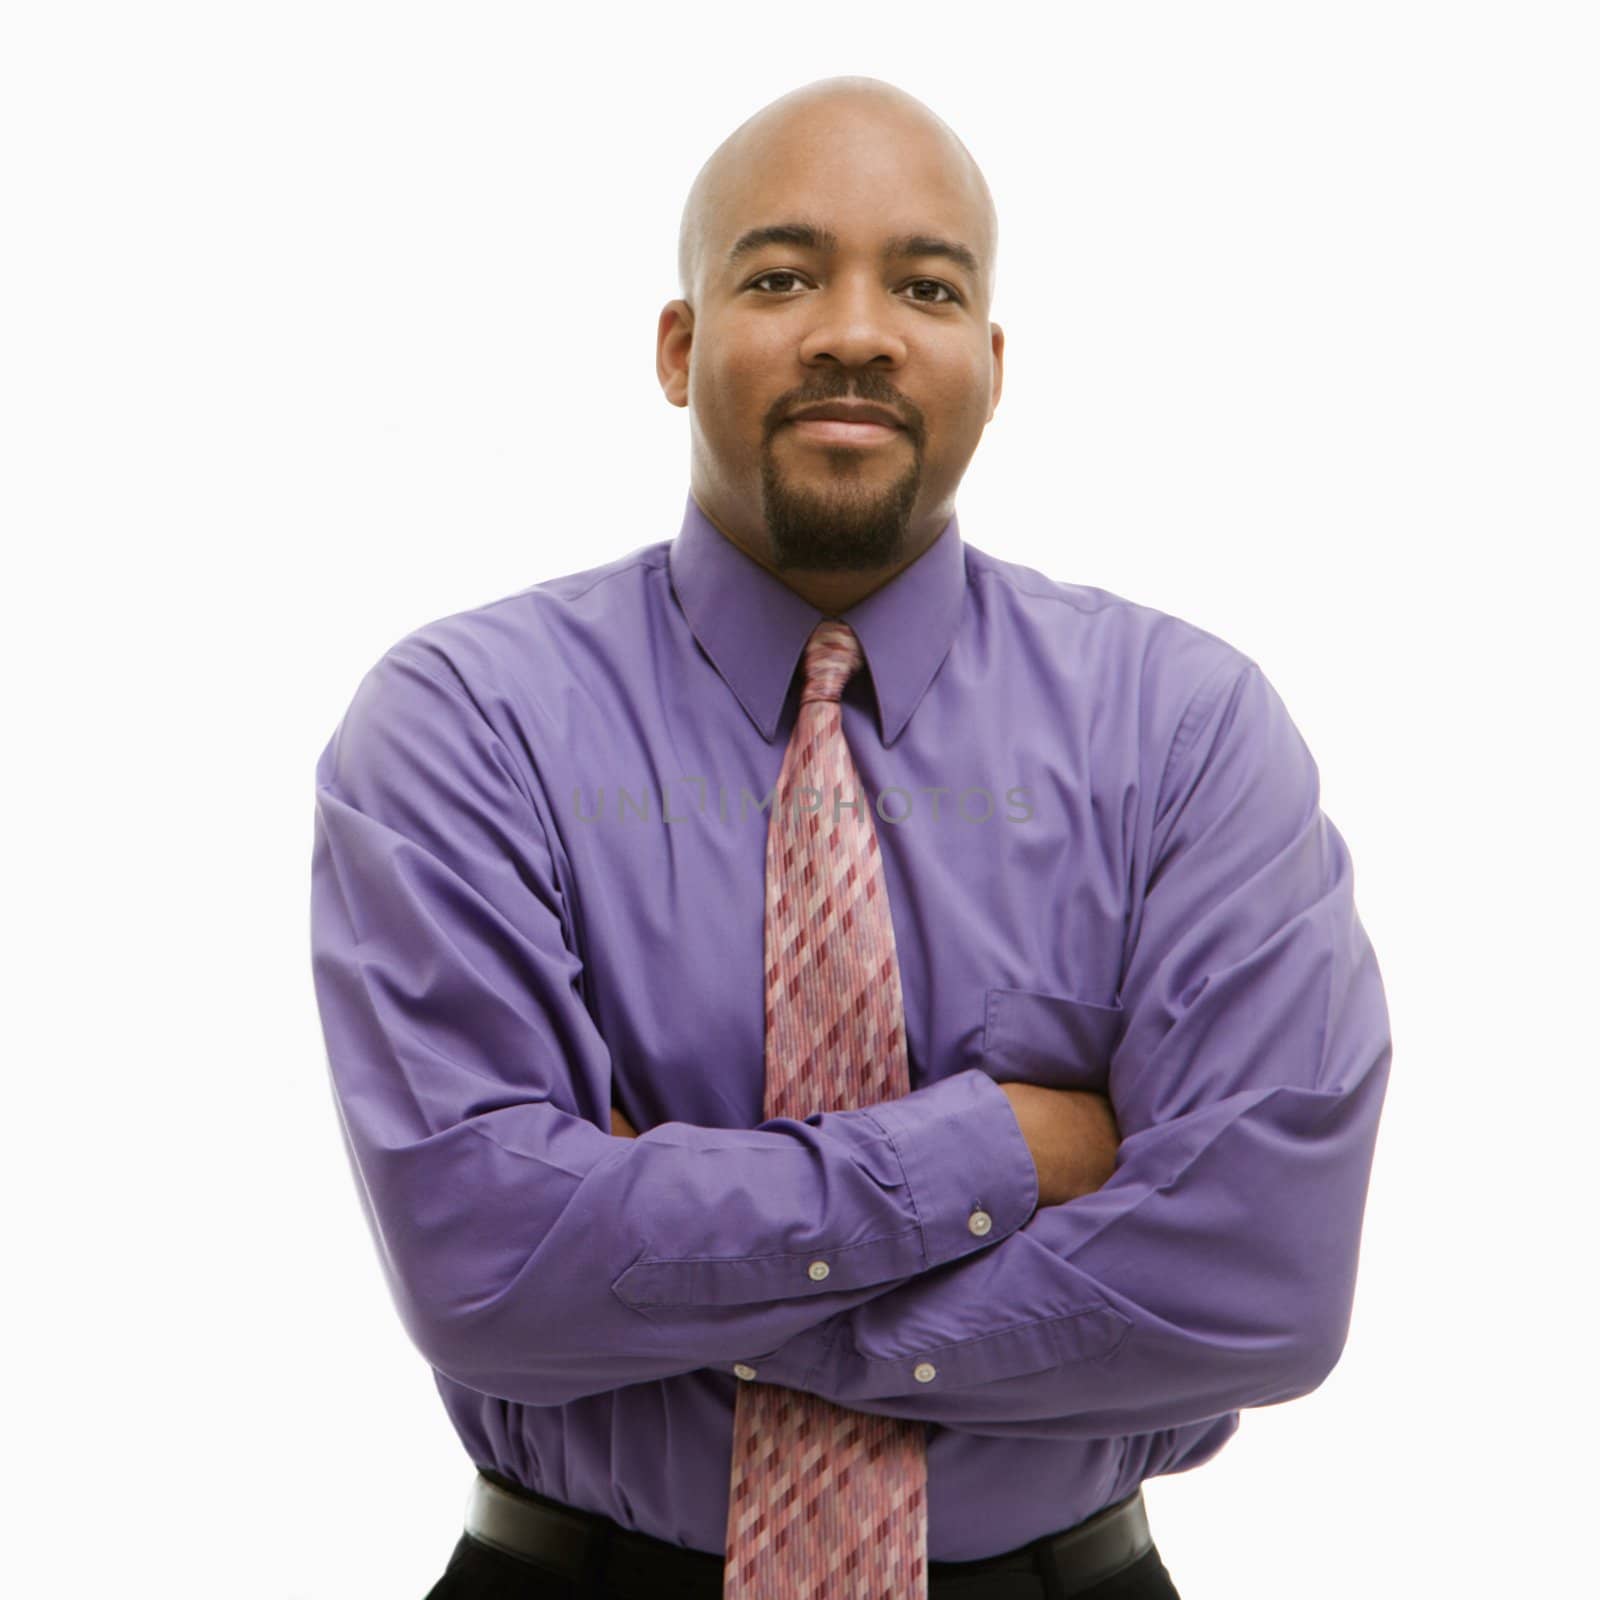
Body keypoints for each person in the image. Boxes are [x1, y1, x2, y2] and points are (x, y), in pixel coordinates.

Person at [309, 74, 1392, 1600]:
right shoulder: (465, 724)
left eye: (927, 285)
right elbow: (488, 1265)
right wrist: (1009, 1148)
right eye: (782, 274)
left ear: (991, 362)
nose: (858, 329)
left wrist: (677, 1264)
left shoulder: (1187, 734)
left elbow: (1261, 1284)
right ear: (680, 345)